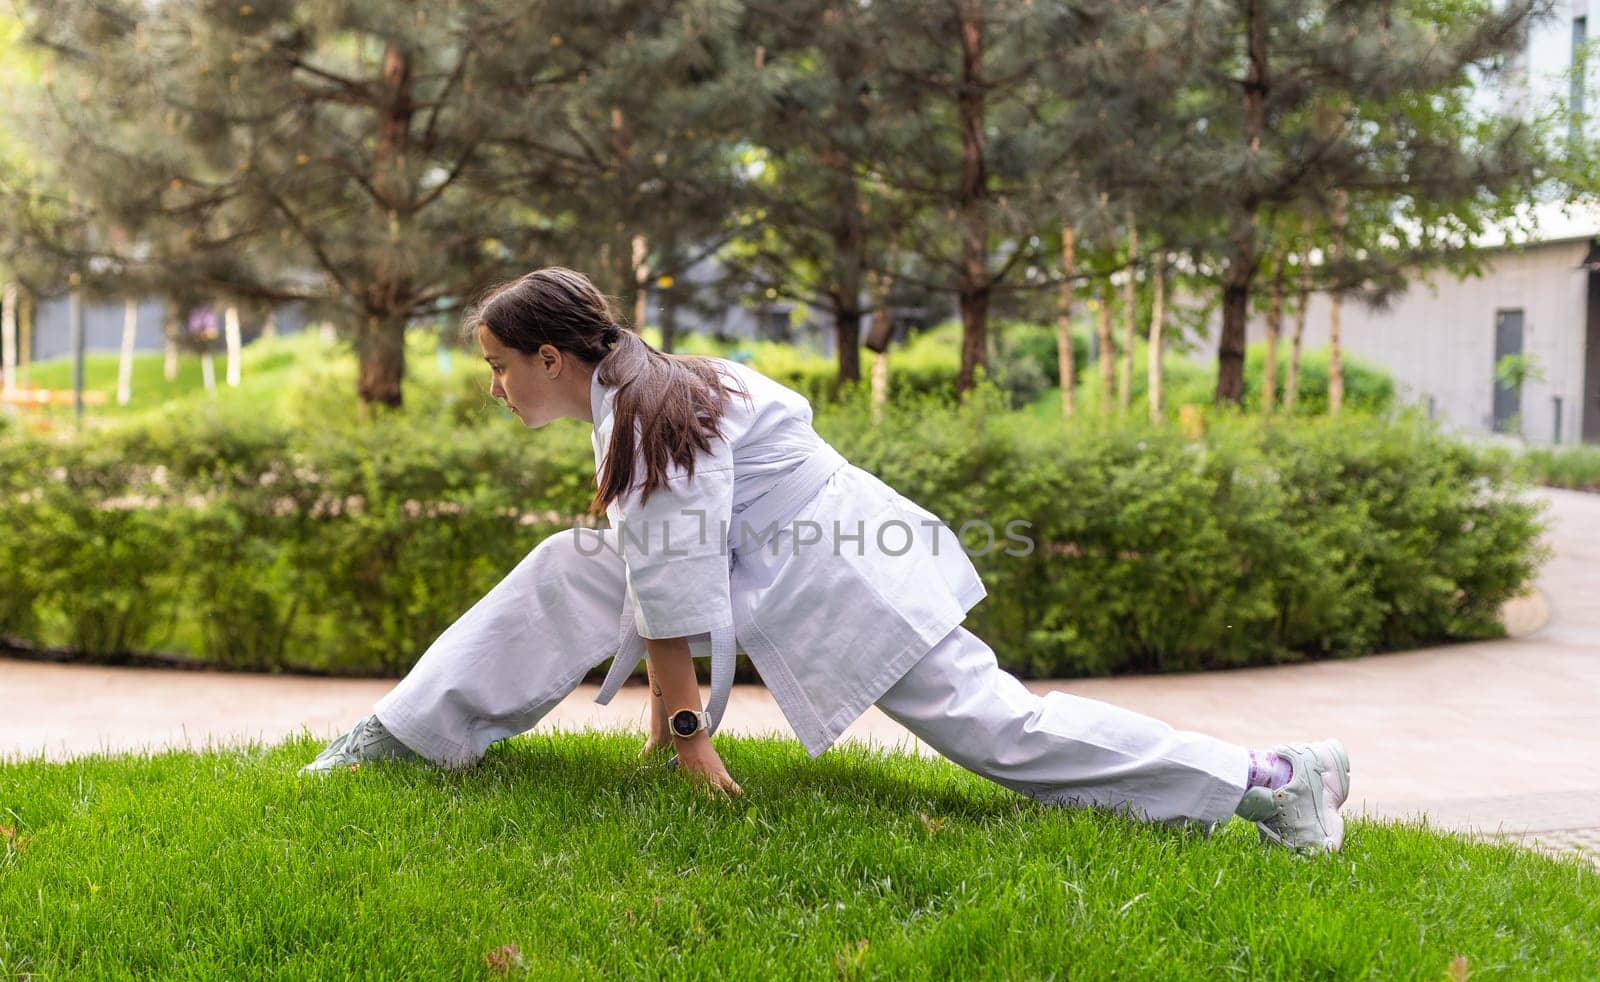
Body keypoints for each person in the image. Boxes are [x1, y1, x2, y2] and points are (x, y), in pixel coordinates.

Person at [304, 267, 1351, 854]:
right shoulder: (631, 390)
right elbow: (652, 571)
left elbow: (669, 603)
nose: (494, 388)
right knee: (568, 566)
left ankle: (1271, 780)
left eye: (497, 368)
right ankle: (400, 736)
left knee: (1003, 730)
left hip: (850, 580)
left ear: (550, 357)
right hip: (792, 562)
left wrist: (685, 742)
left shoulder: (654, 419)